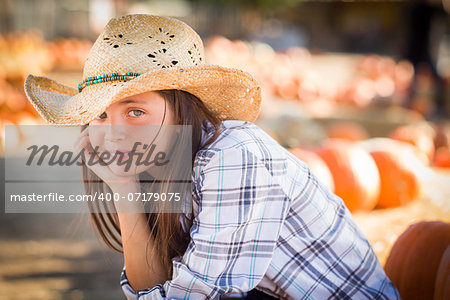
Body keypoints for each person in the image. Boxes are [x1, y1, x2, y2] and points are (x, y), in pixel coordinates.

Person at [23, 14, 400, 300]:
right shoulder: (153, 164)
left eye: (135, 111)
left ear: (182, 108)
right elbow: (154, 286)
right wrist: (123, 187)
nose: (113, 131)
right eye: (100, 115)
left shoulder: (233, 157)